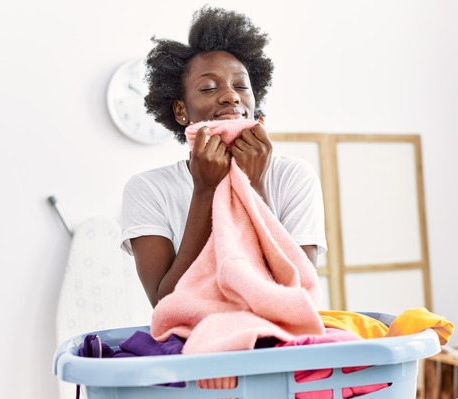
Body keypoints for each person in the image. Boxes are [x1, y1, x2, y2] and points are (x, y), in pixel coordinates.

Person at [121, 5, 327, 307]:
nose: (231, 96)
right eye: (208, 87)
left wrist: (252, 187)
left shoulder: (293, 176)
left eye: (241, 86)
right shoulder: (148, 190)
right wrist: (205, 191)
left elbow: (296, 291)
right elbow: (165, 303)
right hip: (195, 348)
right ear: (181, 110)